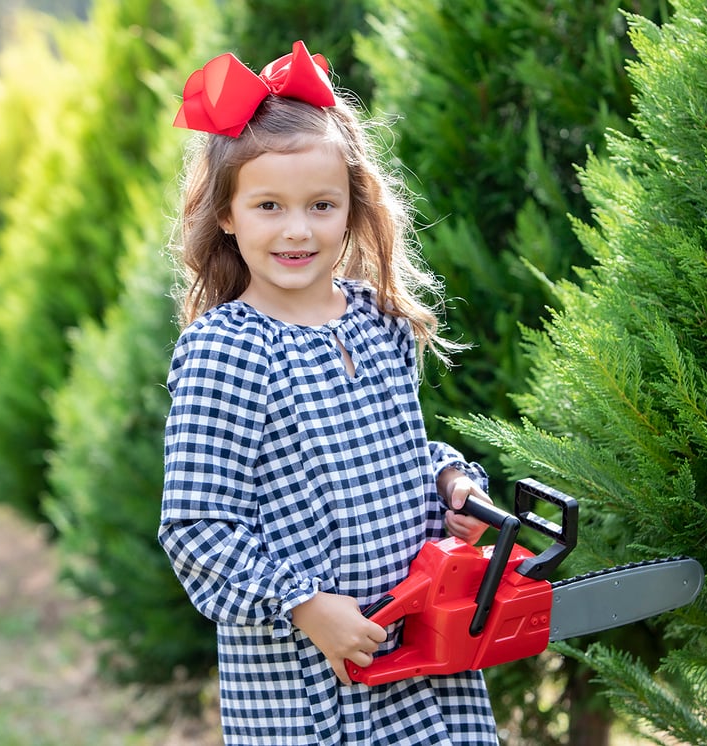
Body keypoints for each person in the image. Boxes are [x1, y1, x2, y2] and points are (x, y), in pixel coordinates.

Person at [159, 40, 499, 745]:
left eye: (321, 204)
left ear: (351, 206)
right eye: (268, 205)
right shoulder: (226, 348)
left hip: (421, 659)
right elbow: (197, 528)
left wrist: (450, 484)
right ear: (227, 214)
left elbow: (397, 449)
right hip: (312, 684)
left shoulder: (378, 322)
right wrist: (306, 605)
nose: (296, 229)